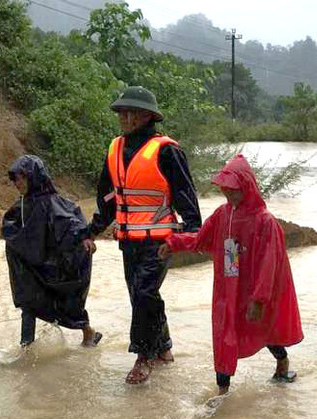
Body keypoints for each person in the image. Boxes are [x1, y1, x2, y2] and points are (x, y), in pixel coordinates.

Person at [81, 86, 202, 384]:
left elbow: (186, 196)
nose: (124, 118)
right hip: (128, 242)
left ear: (147, 116)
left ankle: (143, 356)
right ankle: (164, 347)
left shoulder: (167, 150)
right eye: (121, 113)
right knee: (141, 296)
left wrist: (191, 234)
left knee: (145, 293)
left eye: (130, 112)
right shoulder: (115, 149)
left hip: (160, 242)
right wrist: (92, 231)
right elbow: (108, 199)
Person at [159, 155, 303, 396]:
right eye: (225, 189)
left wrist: (259, 299)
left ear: (247, 187)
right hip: (227, 287)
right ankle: (222, 391)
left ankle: (282, 361)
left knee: (263, 328)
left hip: (254, 287)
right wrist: (174, 242)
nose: (228, 195)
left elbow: (269, 265)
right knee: (223, 333)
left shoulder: (265, 222)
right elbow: (201, 239)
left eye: (233, 190)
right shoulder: (222, 214)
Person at [2, 155, 101, 348]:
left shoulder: (54, 203)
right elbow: (11, 233)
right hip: (30, 269)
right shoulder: (19, 207)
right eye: (15, 179)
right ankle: (26, 347)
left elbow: (72, 224)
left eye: (21, 178)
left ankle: (88, 332)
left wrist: (85, 238)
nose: (17, 183)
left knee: (64, 303)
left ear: (33, 177)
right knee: (28, 303)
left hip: (53, 266)